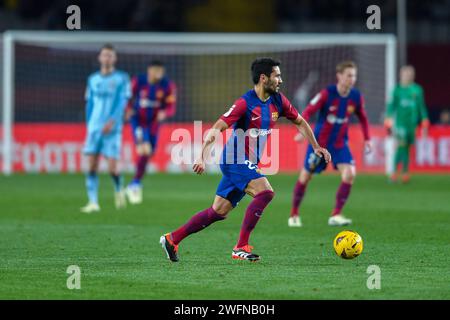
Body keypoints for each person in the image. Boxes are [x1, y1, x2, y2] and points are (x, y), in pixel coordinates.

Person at [160, 58, 331, 262]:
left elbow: (300, 122)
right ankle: (241, 246)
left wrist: (316, 146)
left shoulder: (279, 101)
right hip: (234, 160)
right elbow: (218, 127)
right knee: (265, 192)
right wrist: (202, 155)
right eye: (277, 75)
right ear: (263, 78)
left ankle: (172, 239)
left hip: (248, 163)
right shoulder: (245, 103)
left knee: (218, 211)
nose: (280, 80)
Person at [288, 61, 371, 228]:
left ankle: (336, 214)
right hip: (320, 144)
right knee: (305, 177)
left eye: (354, 75)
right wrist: (301, 132)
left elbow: (362, 117)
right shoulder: (327, 94)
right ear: (339, 76)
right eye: (349, 75)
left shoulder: (355, 96)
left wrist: (367, 139)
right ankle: (294, 214)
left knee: (349, 174)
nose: (352, 79)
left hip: (340, 144)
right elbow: (309, 110)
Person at [80, 44, 131, 213]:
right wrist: (89, 125)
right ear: (100, 58)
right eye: (104, 55)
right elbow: (90, 103)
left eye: (110, 55)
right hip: (94, 128)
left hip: (113, 129)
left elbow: (123, 103)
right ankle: (93, 202)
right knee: (92, 166)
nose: (107, 58)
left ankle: (118, 190)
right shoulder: (92, 79)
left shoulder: (122, 78)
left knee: (112, 168)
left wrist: (112, 121)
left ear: (114, 58)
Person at [125, 60, 177, 204]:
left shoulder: (167, 86)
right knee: (144, 150)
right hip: (139, 121)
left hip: (154, 124)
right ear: (150, 70)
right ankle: (135, 183)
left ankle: (135, 182)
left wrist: (164, 113)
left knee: (149, 152)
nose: (158, 74)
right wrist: (128, 109)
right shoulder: (138, 81)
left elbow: (171, 106)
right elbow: (127, 97)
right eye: (156, 70)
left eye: (161, 71)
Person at [384, 65, 429, 183]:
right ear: (401, 75)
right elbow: (391, 106)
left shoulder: (417, 90)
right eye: (406, 74)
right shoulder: (397, 90)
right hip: (400, 124)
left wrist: (424, 120)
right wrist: (388, 119)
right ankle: (394, 173)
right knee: (402, 146)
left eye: (410, 74)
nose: (409, 76)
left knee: (407, 148)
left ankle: (404, 173)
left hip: (412, 124)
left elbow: (421, 107)